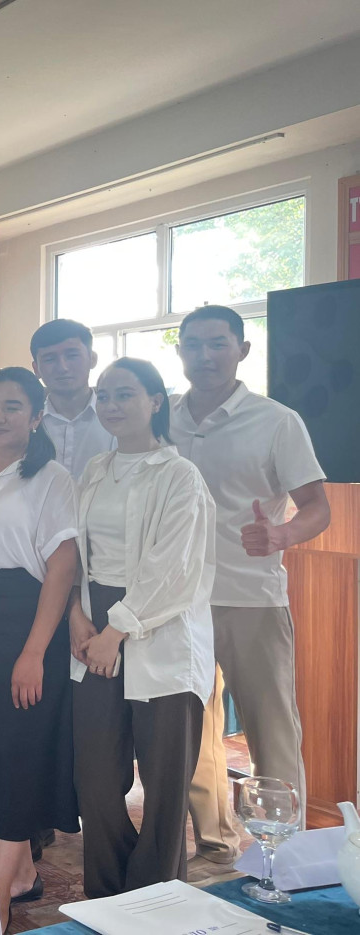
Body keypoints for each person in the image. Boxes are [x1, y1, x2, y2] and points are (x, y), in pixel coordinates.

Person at [170, 305, 330, 865]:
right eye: (193, 345)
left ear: (242, 349)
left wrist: (283, 534)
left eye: (218, 343)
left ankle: (285, 855)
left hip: (249, 598)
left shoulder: (276, 421)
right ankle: (216, 842)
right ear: (180, 352)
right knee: (193, 729)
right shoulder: (161, 416)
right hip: (177, 601)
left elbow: (317, 506)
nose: (205, 355)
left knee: (271, 730)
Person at [70, 357, 215, 897]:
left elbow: (175, 567)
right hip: (94, 626)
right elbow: (75, 551)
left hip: (159, 629)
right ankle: (108, 891)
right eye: (103, 395)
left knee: (164, 779)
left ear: (156, 401)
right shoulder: (95, 470)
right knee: (95, 774)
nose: (110, 405)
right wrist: (76, 614)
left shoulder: (180, 475)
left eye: (124, 394)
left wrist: (118, 630)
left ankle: (156, 896)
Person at [0, 367, 80, 930]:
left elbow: (63, 567)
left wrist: (34, 652)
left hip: (26, 620)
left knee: (14, 751)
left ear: (36, 416)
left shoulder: (52, 477)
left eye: (11, 406)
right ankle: (22, 872)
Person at [30, 319, 115, 479]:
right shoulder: (27, 423)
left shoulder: (117, 419)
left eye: (72, 356)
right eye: (49, 359)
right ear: (36, 369)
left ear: (92, 359)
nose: (62, 367)